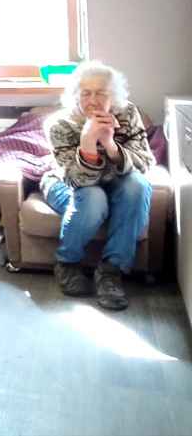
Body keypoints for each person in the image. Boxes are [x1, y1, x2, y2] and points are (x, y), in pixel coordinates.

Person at [41, 60, 154, 311]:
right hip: (65, 183)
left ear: (114, 96)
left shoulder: (128, 114)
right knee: (94, 197)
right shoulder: (59, 123)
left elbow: (145, 163)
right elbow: (77, 180)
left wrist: (111, 145)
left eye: (101, 93)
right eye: (86, 93)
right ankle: (67, 263)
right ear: (75, 96)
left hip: (116, 180)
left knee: (137, 186)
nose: (93, 100)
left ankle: (111, 271)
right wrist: (88, 142)